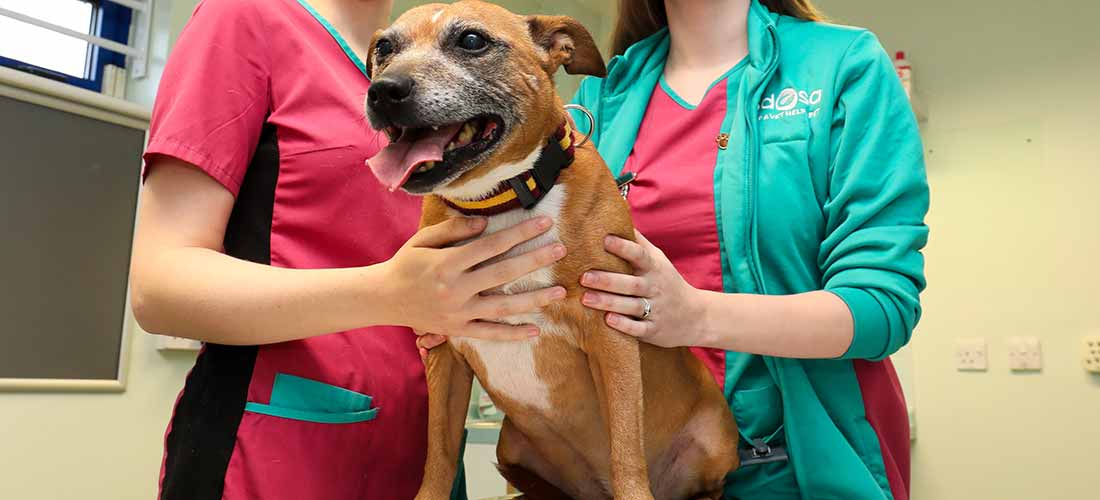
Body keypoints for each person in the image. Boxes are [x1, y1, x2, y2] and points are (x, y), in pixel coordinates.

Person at [128, 0, 567, 498]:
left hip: (427, 459)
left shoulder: (434, 76)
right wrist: (390, 294)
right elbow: (159, 287)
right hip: (279, 453)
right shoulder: (244, 18)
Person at [568, 0, 929, 498]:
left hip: (796, 470)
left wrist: (695, 316)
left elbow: (880, 308)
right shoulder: (601, 97)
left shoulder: (843, 64)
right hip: (641, 476)